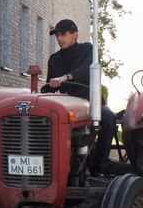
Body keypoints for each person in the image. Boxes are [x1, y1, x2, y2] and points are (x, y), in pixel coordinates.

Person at [45, 18, 116, 177]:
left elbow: (86, 69)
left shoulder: (88, 50)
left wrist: (66, 77)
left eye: (63, 34)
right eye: (57, 35)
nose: (59, 38)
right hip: (63, 104)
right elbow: (50, 85)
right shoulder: (54, 59)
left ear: (75, 35)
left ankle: (99, 168)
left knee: (108, 117)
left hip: (88, 102)